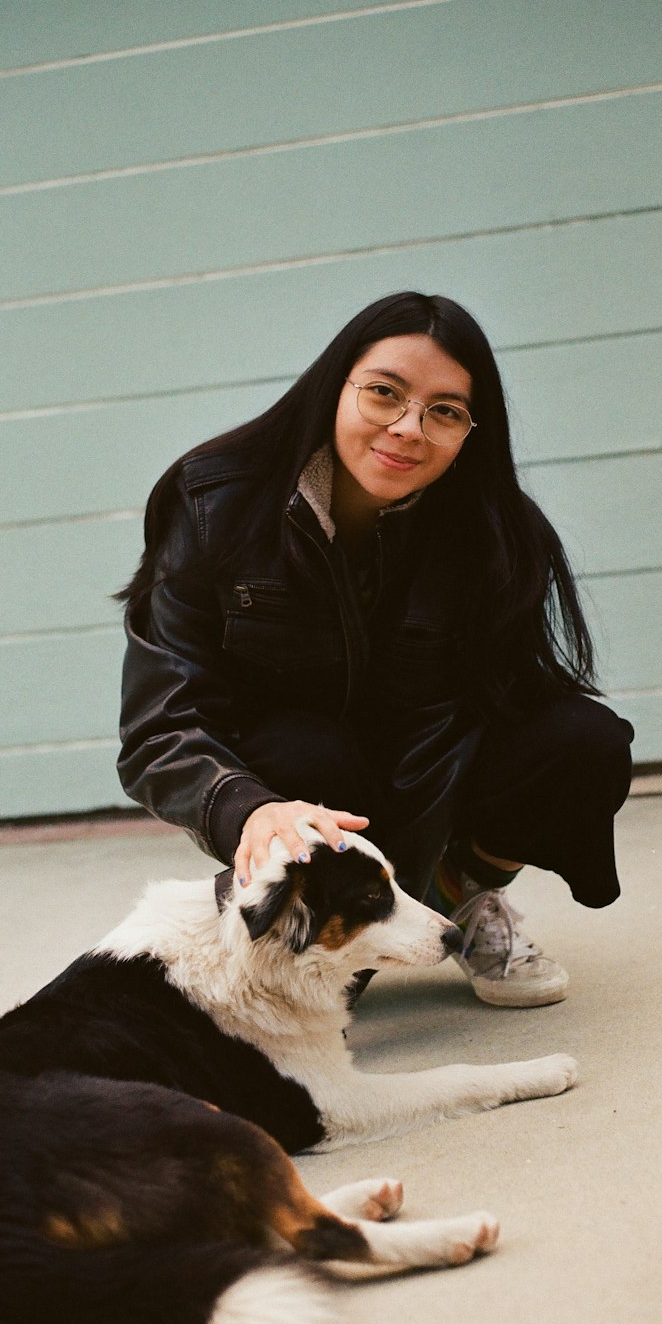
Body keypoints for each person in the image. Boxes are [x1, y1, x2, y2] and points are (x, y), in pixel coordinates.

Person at [115, 291, 634, 1008]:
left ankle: (455, 897)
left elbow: (509, 703)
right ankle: (318, 929)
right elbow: (159, 728)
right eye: (384, 393)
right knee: (304, 747)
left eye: (445, 411)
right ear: (336, 385)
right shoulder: (214, 506)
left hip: (429, 775)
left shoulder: (496, 533)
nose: (408, 428)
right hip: (298, 783)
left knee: (585, 738)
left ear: (469, 433)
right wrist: (248, 810)